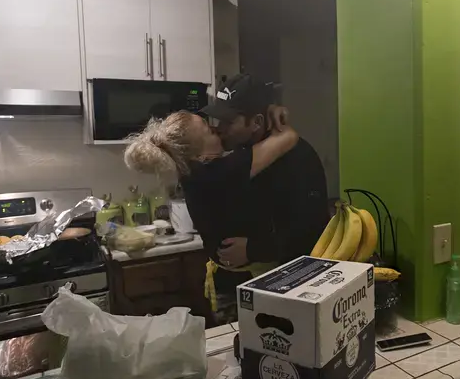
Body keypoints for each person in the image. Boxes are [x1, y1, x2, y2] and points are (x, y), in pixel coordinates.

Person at [123, 107, 296, 322]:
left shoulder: (191, 172)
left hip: (228, 277)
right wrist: (274, 113)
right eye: (208, 130)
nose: (216, 129)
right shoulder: (219, 171)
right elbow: (288, 137)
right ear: (199, 154)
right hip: (243, 285)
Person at [200, 74, 330, 269]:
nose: (220, 128)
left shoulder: (297, 159)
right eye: (219, 120)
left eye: (228, 121)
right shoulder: (243, 151)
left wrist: (253, 249)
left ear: (257, 123)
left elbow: (311, 230)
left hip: (293, 277)